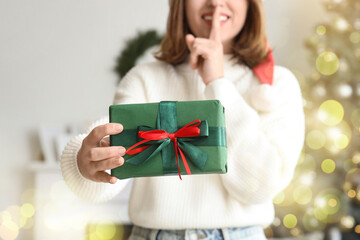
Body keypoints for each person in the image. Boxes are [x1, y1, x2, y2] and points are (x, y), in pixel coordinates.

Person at [61, 0, 305, 239]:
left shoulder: (276, 86)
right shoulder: (143, 79)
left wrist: (218, 83)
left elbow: (261, 186)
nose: (216, 3)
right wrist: (84, 165)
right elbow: (110, 169)